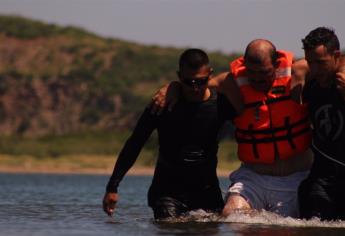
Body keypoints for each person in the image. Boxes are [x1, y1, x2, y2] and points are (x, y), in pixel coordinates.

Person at [152, 39, 314, 218]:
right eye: (251, 72)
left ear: (276, 64)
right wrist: (172, 86)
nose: (257, 78)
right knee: (231, 215)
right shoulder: (230, 83)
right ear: (244, 65)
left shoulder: (300, 72)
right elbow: (195, 85)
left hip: (296, 176)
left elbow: (335, 63)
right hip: (253, 177)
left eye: (264, 73)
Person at [102, 48, 237, 220]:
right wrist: (113, 187)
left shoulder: (221, 104)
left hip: (207, 192)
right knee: (170, 227)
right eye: (189, 82)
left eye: (201, 82)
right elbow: (135, 143)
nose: (195, 88)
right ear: (179, 76)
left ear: (210, 74)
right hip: (167, 193)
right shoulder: (161, 104)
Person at [298, 27, 345, 221]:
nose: (315, 69)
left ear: (336, 56)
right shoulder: (310, 84)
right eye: (310, 62)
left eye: (320, 63)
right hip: (323, 178)